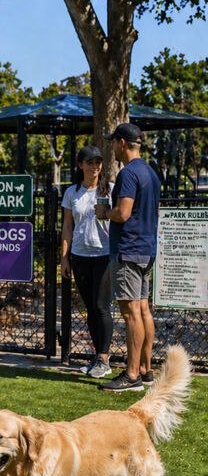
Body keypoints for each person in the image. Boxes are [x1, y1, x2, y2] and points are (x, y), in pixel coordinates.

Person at [95, 122, 161, 392]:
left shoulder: (128, 174)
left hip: (128, 250)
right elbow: (154, 210)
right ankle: (145, 370)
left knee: (131, 313)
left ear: (122, 143)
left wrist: (104, 212)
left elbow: (122, 213)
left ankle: (131, 375)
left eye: (113, 142)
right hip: (146, 250)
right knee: (143, 310)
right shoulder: (151, 173)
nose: (112, 146)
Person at [61, 145, 113, 379]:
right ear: (80, 165)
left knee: (101, 306)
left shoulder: (111, 189)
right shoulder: (72, 192)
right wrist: (65, 257)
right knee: (91, 308)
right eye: (90, 162)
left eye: (98, 162)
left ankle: (103, 357)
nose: (95, 166)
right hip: (80, 256)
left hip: (104, 255)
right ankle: (98, 358)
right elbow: (67, 227)